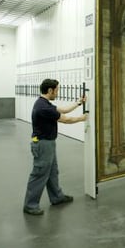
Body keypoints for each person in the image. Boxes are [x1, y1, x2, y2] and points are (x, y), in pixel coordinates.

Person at [23, 79, 87, 215]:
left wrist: (78, 102)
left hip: (48, 143)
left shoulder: (44, 102)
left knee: (52, 172)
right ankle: (30, 205)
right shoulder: (43, 107)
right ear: (50, 90)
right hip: (42, 144)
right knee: (39, 173)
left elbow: (62, 110)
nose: (58, 93)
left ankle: (57, 197)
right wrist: (83, 118)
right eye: (57, 90)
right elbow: (65, 119)